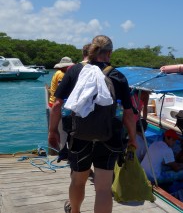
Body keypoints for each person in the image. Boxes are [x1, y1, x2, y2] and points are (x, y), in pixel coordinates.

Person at [48, 35, 136, 213]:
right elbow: (128, 114)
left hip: (79, 136)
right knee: (103, 189)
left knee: (78, 181)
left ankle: (75, 211)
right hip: (109, 137)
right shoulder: (117, 75)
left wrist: (52, 132)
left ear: (91, 51)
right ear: (109, 53)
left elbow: (57, 105)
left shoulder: (74, 71)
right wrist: (133, 138)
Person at [48, 57, 74, 152]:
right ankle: (63, 152)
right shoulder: (62, 75)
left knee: (61, 131)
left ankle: (62, 151)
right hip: (58, 106)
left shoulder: (58, 73)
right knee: (63, 131)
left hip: (55, 103)